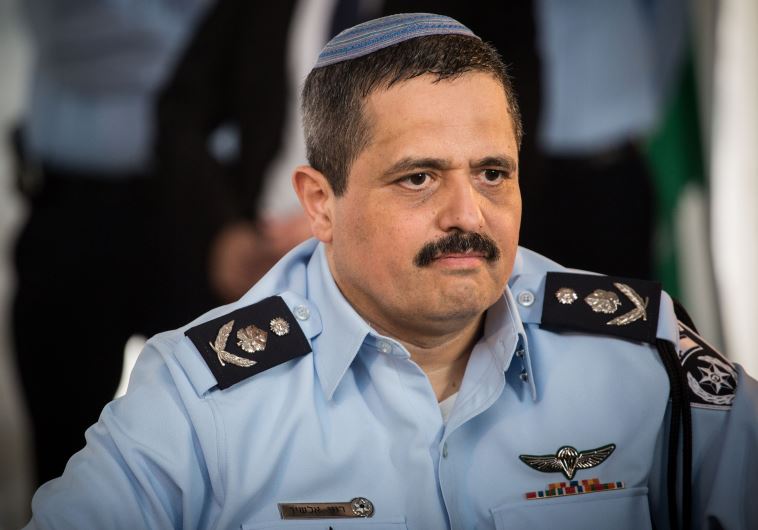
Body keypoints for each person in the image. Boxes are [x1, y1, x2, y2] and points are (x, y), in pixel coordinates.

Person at [23, 13, 758, 530]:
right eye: (418, 178)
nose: (468, 215)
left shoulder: (641, 353)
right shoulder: (200, 393)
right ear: (320, 204)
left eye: (493, 173)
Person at [11, 0, 211, 487]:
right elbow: (64, 32)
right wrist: (193, 40)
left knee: (210, 446)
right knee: (65, 467)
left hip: (198, 209)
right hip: (74, 207)